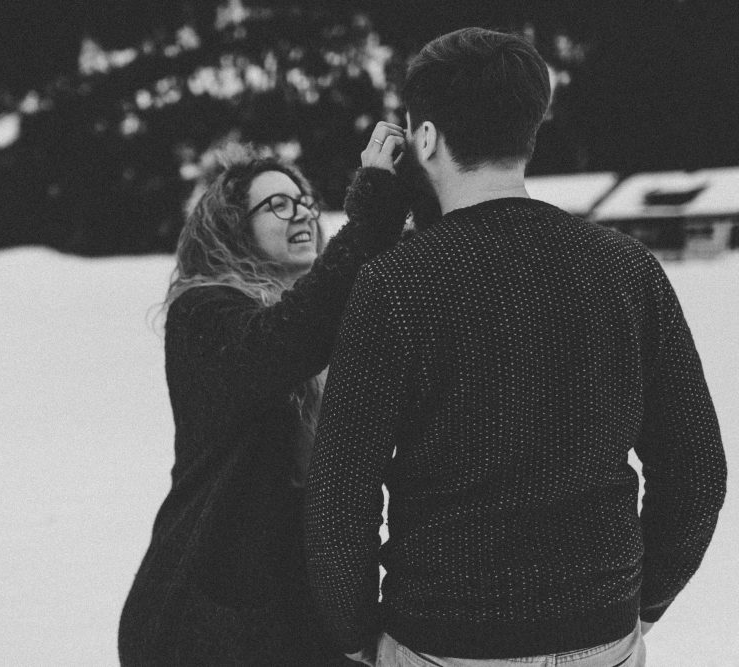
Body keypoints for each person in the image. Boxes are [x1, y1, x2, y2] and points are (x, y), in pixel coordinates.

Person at [304, 27, 727, 666]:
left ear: (424, 139)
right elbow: (696, 467)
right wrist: (639, 603)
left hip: (445, 641)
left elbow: (341, 486)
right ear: (528, 131)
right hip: (601, 640)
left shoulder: (396, 282)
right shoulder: (626, 268)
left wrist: (357, 634)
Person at [118, 139, 428, 665]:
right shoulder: (202, 312)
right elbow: (285, 340)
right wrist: (373, 209)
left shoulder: (325, 314)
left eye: (304, 200)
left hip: (296, 611)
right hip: (207, 617)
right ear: (233, 224)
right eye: (278, 204)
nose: (301, 212)